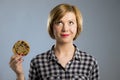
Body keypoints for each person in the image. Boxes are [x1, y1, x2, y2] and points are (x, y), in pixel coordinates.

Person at [9, 3, 99, 80]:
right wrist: (19, 74)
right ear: (52, 26)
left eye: (70, 22)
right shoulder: (38, 62)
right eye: (59, 22)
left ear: (77, 26)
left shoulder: (90, 62)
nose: (65, 28)